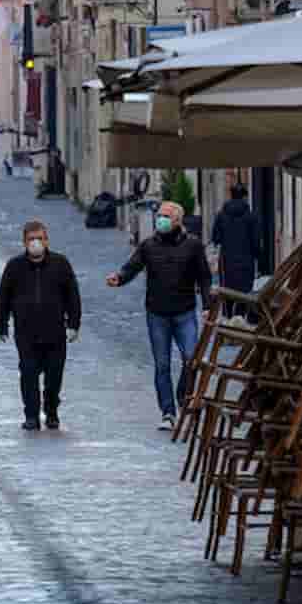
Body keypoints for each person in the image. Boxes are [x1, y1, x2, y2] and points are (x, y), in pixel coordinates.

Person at [107, 201, 212, 430]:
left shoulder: (193, 246)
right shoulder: (148, 246)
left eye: (165, 216)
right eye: (159, 215)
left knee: (191, 359)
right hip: (157, 314)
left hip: (185, 311)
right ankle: (167, 412)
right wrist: (119, 277)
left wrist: (207, 305)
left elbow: (204, 276)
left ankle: (184, 395)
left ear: (177, 220)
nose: (160, 219)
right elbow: (132, 266)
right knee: (162, 364)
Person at [0, 220, 82, 431]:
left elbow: (72, 295)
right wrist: (1, 324)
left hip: (55, 331)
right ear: (24, 242)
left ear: (47, 240)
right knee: (28, 373)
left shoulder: (61, 264)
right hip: (26, 332)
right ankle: (31, 415)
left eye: (39, 239)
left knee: (54, 374)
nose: (36, 243)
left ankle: (51, 411)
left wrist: (74, 324)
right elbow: (3, 296)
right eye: (31, 239)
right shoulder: (14, 267)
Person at [211, 182, 262, 319]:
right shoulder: (252, 217)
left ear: (231, 196)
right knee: (244, 294)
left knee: (227, 292)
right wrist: (258, 257)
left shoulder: (221, 216)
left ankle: (227, 320)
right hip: (246, 262)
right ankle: (239, 321)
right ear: (245, 197)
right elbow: (256, 242)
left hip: (226, 262)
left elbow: (215, 238)